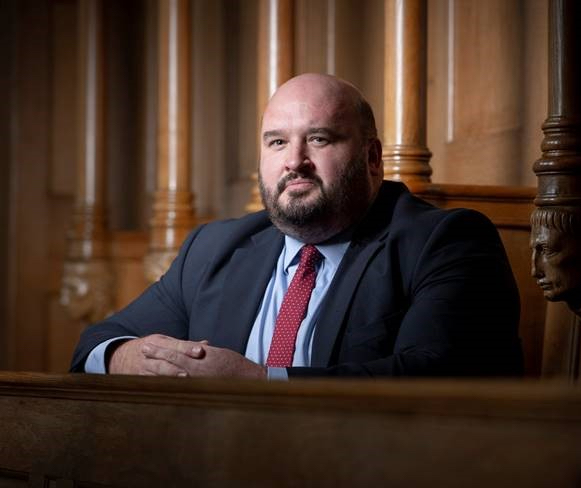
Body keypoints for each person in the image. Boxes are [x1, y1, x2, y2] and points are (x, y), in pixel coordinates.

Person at [70, 73, 522, 379]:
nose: (294, 161)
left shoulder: (446, 241)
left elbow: (436, 376)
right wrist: (130, 357)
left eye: (319, 139)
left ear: (372, 158)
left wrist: (260, 383)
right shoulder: (213, 247)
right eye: (277, 142)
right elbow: (93, 345)